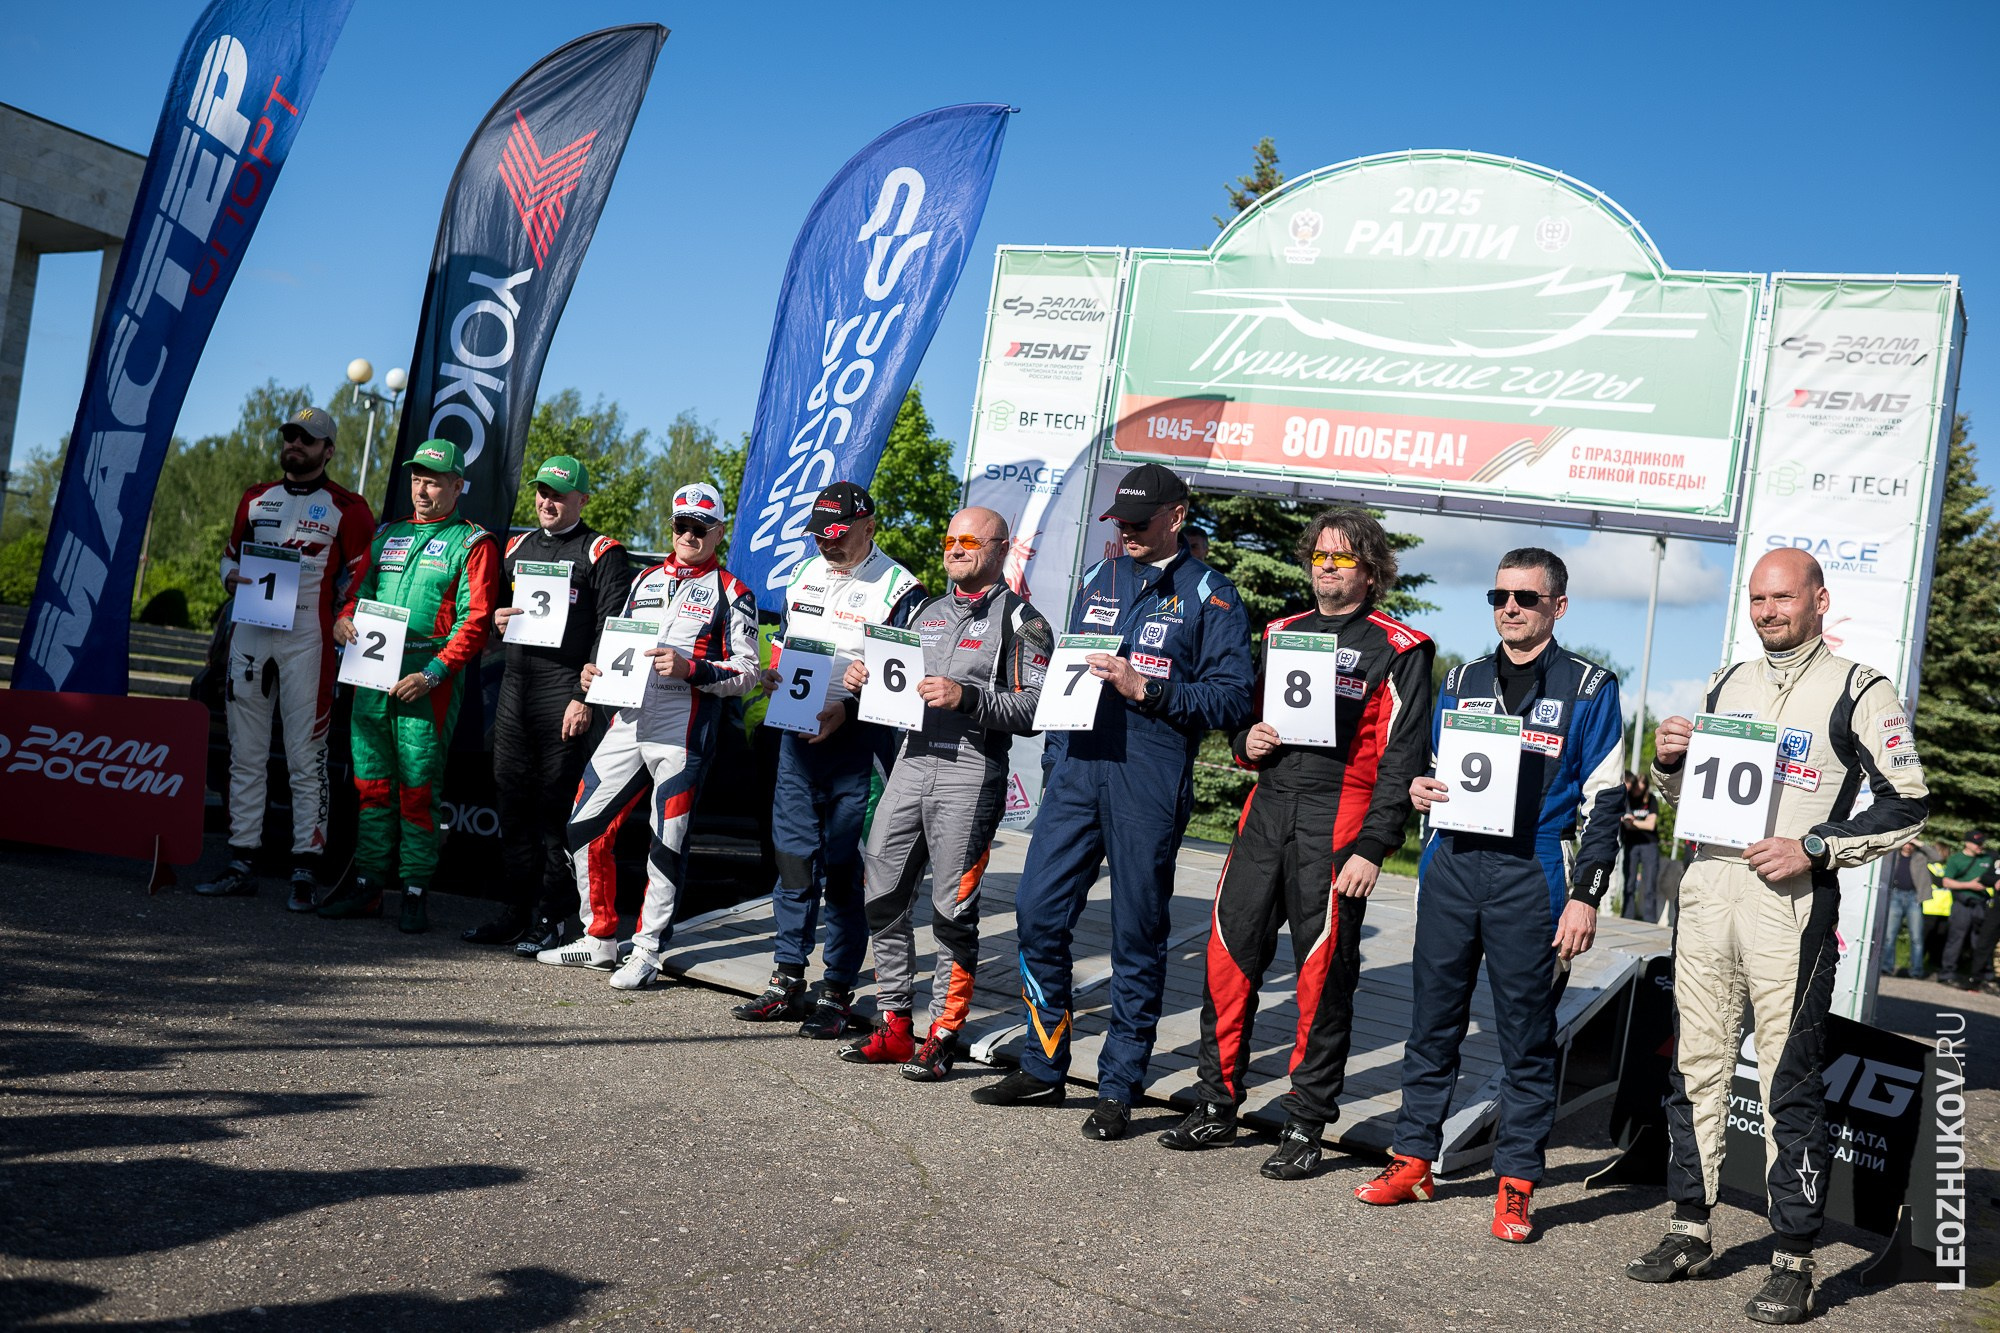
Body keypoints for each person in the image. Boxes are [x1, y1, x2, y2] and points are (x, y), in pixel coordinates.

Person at [1625, 548, 1926, 1326]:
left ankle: (1793, 1255)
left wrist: (1817, 846)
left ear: (1819, 600)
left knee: (1786, 1084)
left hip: (1788, 905)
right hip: (1708, 891)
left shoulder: (1860, 687)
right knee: (1694, 1069)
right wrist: (1668, 766)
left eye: (1783, 597)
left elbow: (1909, 805)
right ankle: (1689, 1226)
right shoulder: (1730, 682)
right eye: (1758, 598)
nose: (1768, 611)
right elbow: (1695, 796)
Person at [975, 462, 1254, 1141]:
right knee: (1036, 911)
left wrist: (1147, 689)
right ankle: (1044, 1065)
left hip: (1148, 776)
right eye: (1118, 521)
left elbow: (1233, 698)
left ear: (1176, 517)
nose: (1124, 531)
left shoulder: (1212, 596)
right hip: (1078, 768)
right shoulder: (1102, 577)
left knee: (1136, 935)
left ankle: (1118, 1084)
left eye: (1138, 521)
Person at [1360, 547, 1623, 1246]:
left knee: (1526, 1039)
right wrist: (1421, 790)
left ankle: (1516, 1183)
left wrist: (1586, 893)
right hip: (1452, 864)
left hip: (1532, 871)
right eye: (1499, 595)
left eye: (1526, 598)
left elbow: (1606, 801)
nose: (1510, 607)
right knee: (1432, 1022)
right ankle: (1413, 1160)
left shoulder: (1592, 687)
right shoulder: (1466, 676)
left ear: (1556, 607)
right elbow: (1439, 772)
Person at [1159, 507, 1431, 1177]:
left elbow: (1402, 760)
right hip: (1268, 808)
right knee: (1227, 954)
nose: (1325, 567)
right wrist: (1244, 742)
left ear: (1370, 570)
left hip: (1339, 820)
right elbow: (1251, 716)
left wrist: (1373, 845)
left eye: (1340, 558)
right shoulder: (1281, 631)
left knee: (1321, 974)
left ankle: (1306, 1121)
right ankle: (1216, 1102)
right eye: (1318, 556)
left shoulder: (1401, 647)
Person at [835, 506, 1051, 1079]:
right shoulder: (928, 611)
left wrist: (969, 698)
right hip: (909, 764)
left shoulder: (1023, 621)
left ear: (1000, 548)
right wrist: (862, 680)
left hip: (969, 772)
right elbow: (896, 685)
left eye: (968, 541)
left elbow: (1035, 709)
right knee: (881, 892)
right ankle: (895, 1026)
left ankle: (944, 1034)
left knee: (951, 912)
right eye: (948, 538)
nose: (954, 549)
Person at [538, 483, 761, 988]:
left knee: (668, 841)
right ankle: (598, 936)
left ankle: (647, 948)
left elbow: (747, 672)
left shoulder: (733, 592)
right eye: (681, 525)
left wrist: (691, 668)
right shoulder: (645, 580)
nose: (688, 535)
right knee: (583, 825)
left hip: (681, 728)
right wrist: (594, 676)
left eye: (699, 529)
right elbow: (617, 646)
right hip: (628, 718)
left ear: (717, 533)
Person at [731, 481, 928, 1037]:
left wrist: (853, 706)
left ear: (870, 527)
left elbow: (904, 683)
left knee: (845, 870)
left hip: (858, 744)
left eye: (839, 536)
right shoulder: (804, 573)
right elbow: (793, 647)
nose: (827, 545)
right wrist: (776, 676)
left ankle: (838, 988)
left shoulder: (902, 587)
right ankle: (787, 977)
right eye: (819, 535)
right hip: (797, 736)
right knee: (792, 861)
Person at [197, 407, 375, 909]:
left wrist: (347, 613)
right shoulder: (256, 497)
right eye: (290, 436)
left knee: (306, 756)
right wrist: (229, 576)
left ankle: (305, 867)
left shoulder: (348, 506)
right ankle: (241, 860)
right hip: (251, 633)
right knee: (246, 752)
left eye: (307, 439)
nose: (295, 444)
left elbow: (365, 571)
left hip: (308, 640)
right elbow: (230, 554)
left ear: (328, 450)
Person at [316, 440, 497, 933]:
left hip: (426, 682)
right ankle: (368, 886)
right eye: (417, 478)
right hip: (370, 674)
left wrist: (433, 674)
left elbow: (476, 622)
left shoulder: (473, 542)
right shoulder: (388, 533)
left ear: (458, 486)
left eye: (434, 480)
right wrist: (343, 620)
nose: (422, 489)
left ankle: (415, 889)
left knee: (419, 790)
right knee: (372, 786)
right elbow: (358, 595)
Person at [463, 455, 634, 950]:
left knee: (555, 810)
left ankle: (553, 919)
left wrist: (585, 698)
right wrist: (495, 618)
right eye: (542, 492)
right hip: (516, 689)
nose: (547, 502)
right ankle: (515, 911)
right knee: (512, 804)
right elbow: (490, 609)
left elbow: (610, 630)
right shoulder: (516, 545)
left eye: (558, 494)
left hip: (565, 692)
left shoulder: (602, 551)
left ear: (581, 498)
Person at [1936, 830, 1996, 987]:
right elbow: (1947, 882)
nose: (1980, 846)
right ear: (1967, 843)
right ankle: (1947, 973)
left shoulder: (1988, 859)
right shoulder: (1956, 859)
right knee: (1956, 939)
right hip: (1962, 904)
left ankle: (1980, 976)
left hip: (1981, 905)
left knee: (1981, 941)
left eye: (1982, 843)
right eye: (1977, 843)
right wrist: (1969, 885)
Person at [1878, 839, 1932, 979]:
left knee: (1916, 937)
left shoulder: (1920, 856)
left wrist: (1919, 842)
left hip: (1914, 897)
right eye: (1906, 843)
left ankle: (1916, 970)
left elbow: (1937, 857)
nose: (1908, 846)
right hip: (1895, 896)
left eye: (1911, 844)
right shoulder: (1893, 855)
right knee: (1890, 935)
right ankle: (1886, 967)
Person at [1619, 772, 1662, 922]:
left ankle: (1650, 919)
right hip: (1631, 844)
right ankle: (1627, 916)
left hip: (1649, 845)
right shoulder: (1628, 799)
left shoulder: (1651, 800)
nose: (1638, 792)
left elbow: (1651, 825)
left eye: (1641, 789)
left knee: (1649, 884)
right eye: (1637, 788)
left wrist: (1632, 822)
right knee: (1629, 883)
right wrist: (1631, 822)